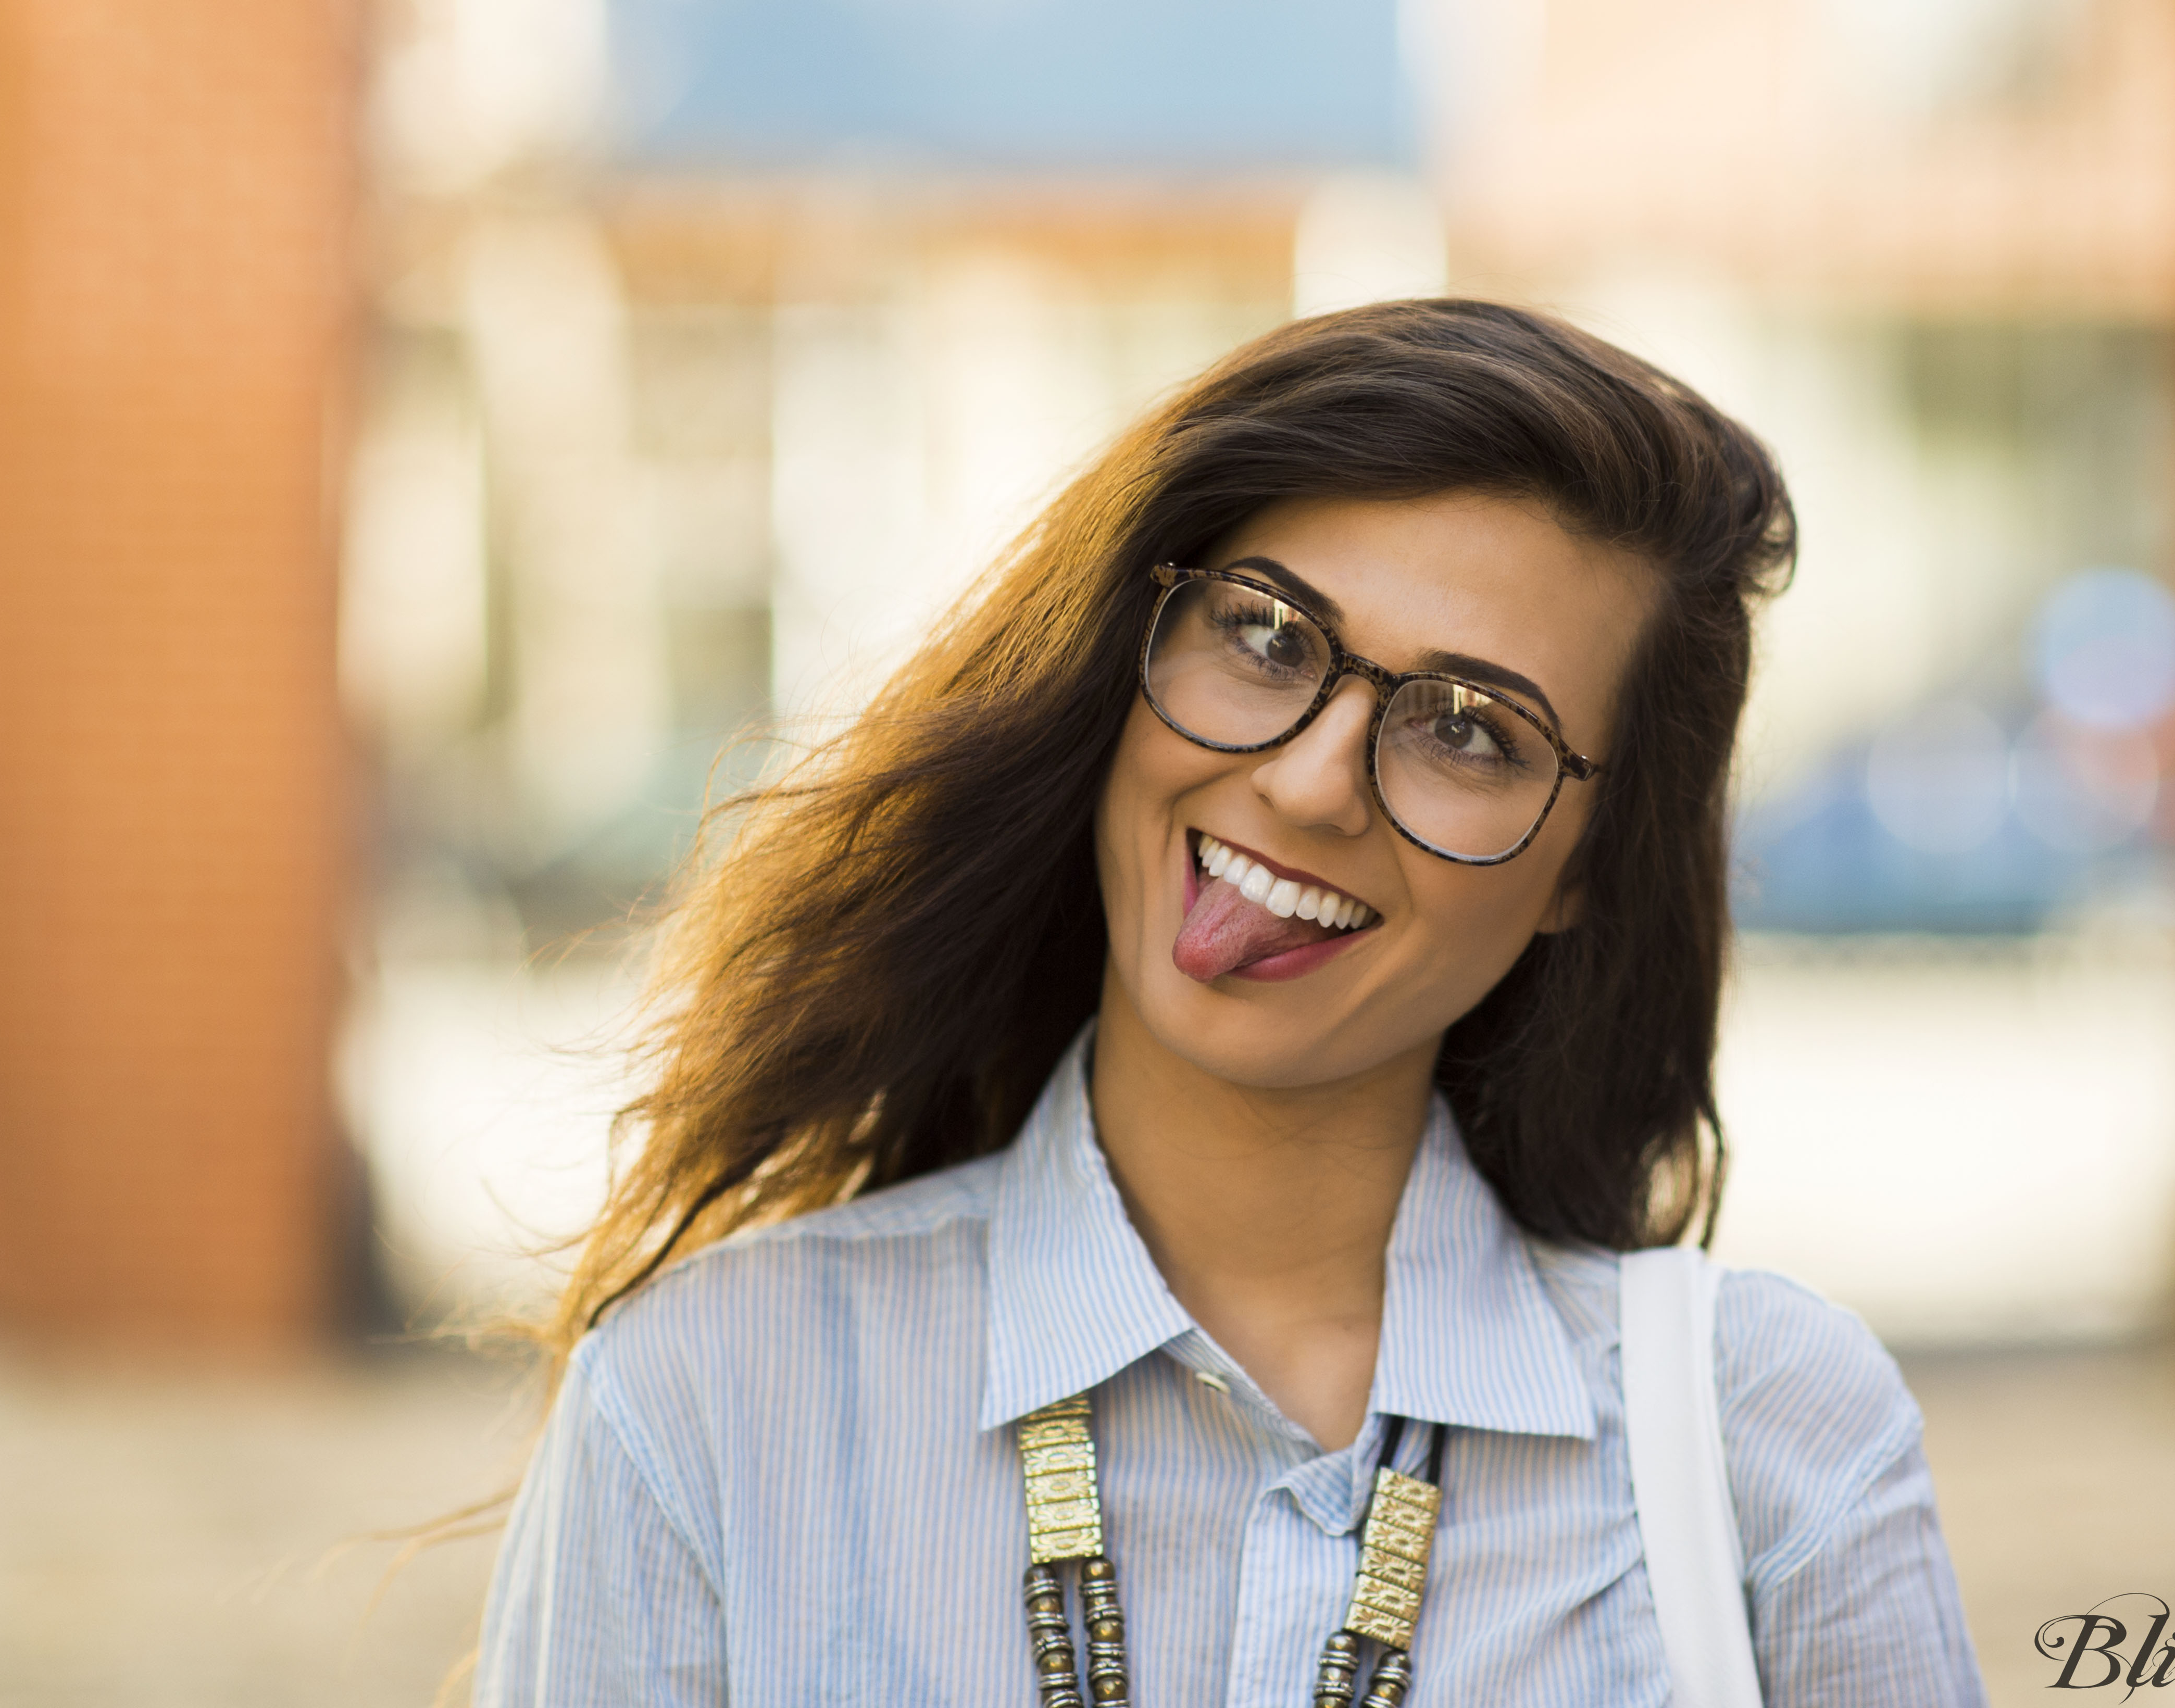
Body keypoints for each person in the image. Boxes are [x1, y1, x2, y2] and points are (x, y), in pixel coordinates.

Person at [477, 299, 1987, 1705]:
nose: (1311, 781)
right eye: (1266, 635)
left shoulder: (1770, 1445)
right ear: (1126, 658)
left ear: (1592, 866)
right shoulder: (707, 1406)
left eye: (1471, 729)